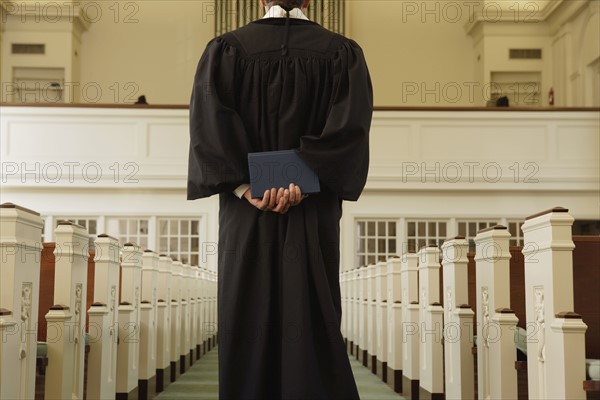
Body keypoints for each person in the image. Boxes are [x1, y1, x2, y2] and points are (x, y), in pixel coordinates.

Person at [187, 0, 373, 398]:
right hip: (314, 211)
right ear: (309, 1)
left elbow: (209, 126)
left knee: (246, 316)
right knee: (313, 319)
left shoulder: (226, 49)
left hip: (245, 215)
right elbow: (349, 131)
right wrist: (302, 179)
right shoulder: (342, 53)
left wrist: (247, 187)